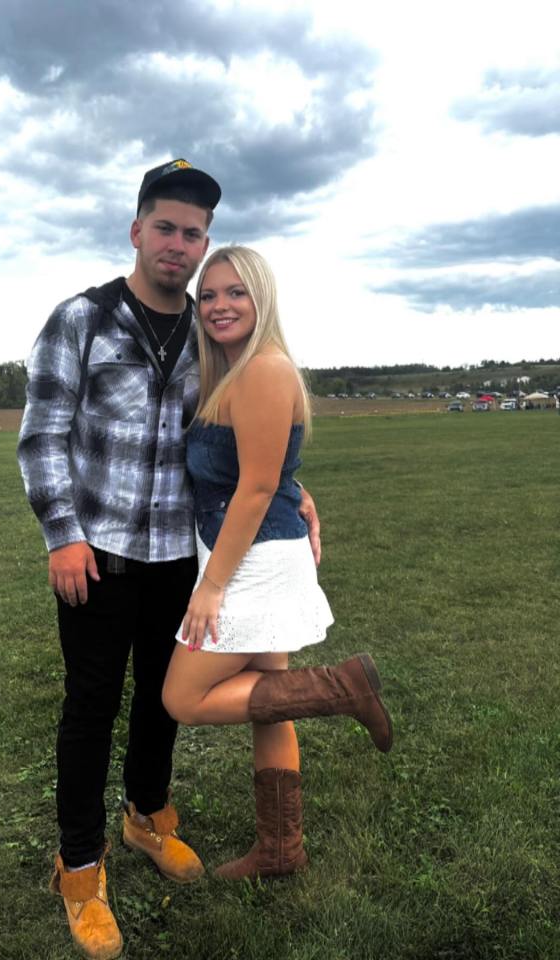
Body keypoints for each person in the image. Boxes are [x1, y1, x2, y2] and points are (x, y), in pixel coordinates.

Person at [17, 161, 321, 960]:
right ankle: (80, 868)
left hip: (179, 558)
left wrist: (295, 485)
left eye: (193, 233)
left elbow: (240, 434)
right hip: (97, 556)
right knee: (90, 708)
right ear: (137, 230)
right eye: (165, 228)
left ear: (205, 242)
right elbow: (43, 433)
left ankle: (147, 814)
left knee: (160, 700)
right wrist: (62, 533)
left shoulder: (209, 330)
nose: (179, 246)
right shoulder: (80, 318)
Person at [162, 245, 393, 881]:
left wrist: (210, 587)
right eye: (208, 296)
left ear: (262, 299)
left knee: (182, 696)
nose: (218, 306)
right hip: (252, 549)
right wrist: (299, 488)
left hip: (253, 564)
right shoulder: (231, 373)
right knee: (269, 701)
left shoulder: (264, 369)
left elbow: (257, 487)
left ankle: (343, 688)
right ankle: (281, 850)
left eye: (236, 292)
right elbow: (268, 469)